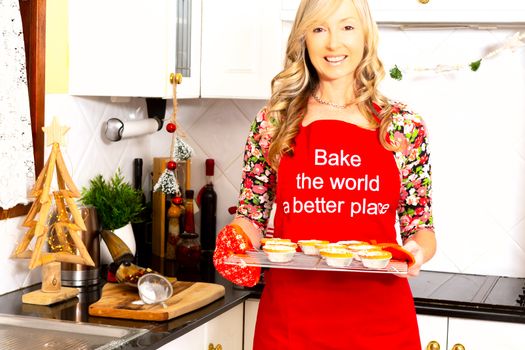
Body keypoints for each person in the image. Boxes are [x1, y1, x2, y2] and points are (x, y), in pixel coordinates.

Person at [213, 0, 436, 348]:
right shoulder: (273, 122)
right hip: (290, 324)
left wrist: (416, 252)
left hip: (380, 324)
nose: (333, 43)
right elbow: (251, 216)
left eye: (347, 27)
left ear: (365, 36)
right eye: (319, 29)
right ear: (304, 38)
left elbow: (420, 224)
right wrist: (237, 241)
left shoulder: (403, 125)